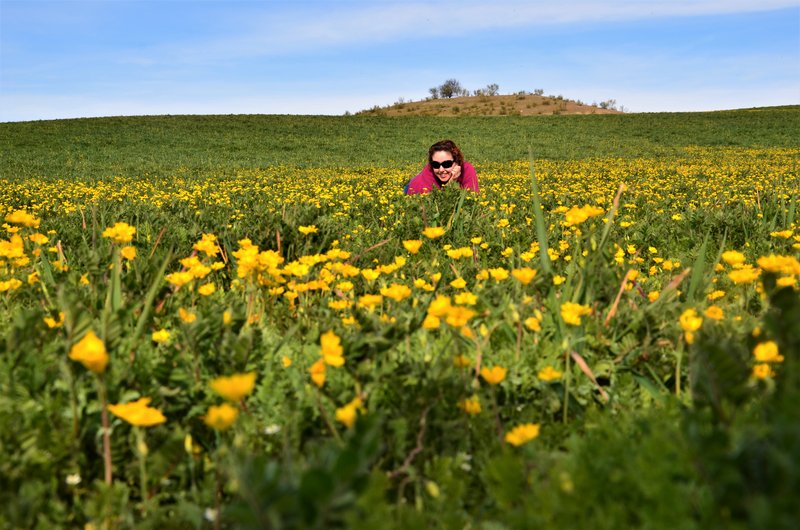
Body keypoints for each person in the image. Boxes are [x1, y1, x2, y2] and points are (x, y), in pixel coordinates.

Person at [404, 139, 480, 195]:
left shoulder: (467, 169)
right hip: (412, 186)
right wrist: (452, 181)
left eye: (446, 164)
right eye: (435, 164)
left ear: (457, 161)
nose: (441, 169)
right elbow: (440, 205)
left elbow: (473, 197)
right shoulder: (423, 183)